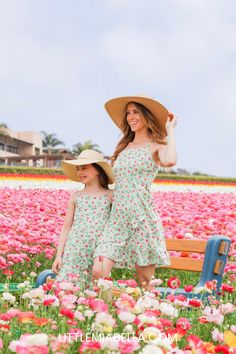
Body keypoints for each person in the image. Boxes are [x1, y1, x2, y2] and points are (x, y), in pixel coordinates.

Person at [92, 94, 177, 288]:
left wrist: (169, 130)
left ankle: (144, 314)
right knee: (98, 271)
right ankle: (104, 310)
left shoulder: (156, 145)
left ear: (147, 116)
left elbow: (170, 160)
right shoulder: (124, 147)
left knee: (146, 282)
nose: (131, 116)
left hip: (142, 218)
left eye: (136, 112)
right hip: (117, 219)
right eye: (128, 113)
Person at [52, 149, 114, 289]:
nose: (79, 172)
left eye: (84, 168)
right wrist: (59, 256)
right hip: (75, 249)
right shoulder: (76, 196)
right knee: (67, 288)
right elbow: (66, 227)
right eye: (78, 169)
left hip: (98, 249)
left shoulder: (110, 195)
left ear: (98, 170)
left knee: (95, 287)